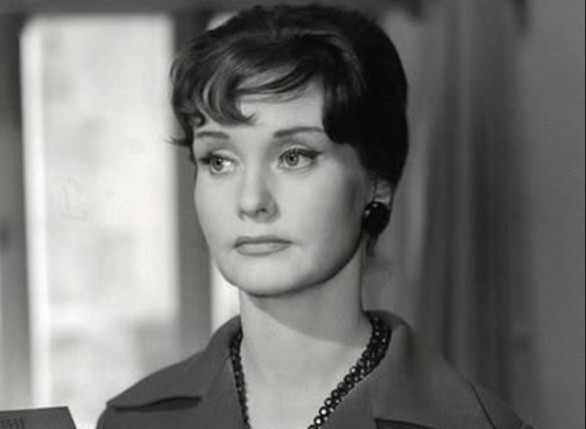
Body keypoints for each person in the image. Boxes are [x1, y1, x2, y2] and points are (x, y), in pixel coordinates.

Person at [97, 4, 532, 429]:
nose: (251, 200)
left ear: (377, 181)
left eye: (294, 157)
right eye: (219, 161)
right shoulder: (132, 421)